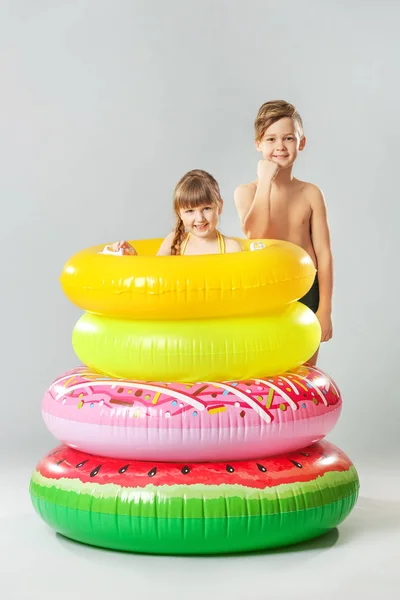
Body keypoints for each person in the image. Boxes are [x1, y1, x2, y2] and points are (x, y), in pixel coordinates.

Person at [234, 100, 333, 366]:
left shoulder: (310, 193)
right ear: (259, 145)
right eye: (271, 139)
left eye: (288, 138)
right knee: (269, 367)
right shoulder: (246, 192)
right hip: (267, 289)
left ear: (301, 143)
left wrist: (325, 309)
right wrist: (265, 180)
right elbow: (256, 234)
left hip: (306, 288)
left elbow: (323, 254)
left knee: (304, 368)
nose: (280, 146)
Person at [112, 169, 243, 256]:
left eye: (206, 208)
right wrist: (134, 257)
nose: (199, 218)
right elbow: (154, 276)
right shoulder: (174, 241)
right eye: (190, 211)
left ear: (219, 207)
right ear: (180, 213)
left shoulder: (231, 248)